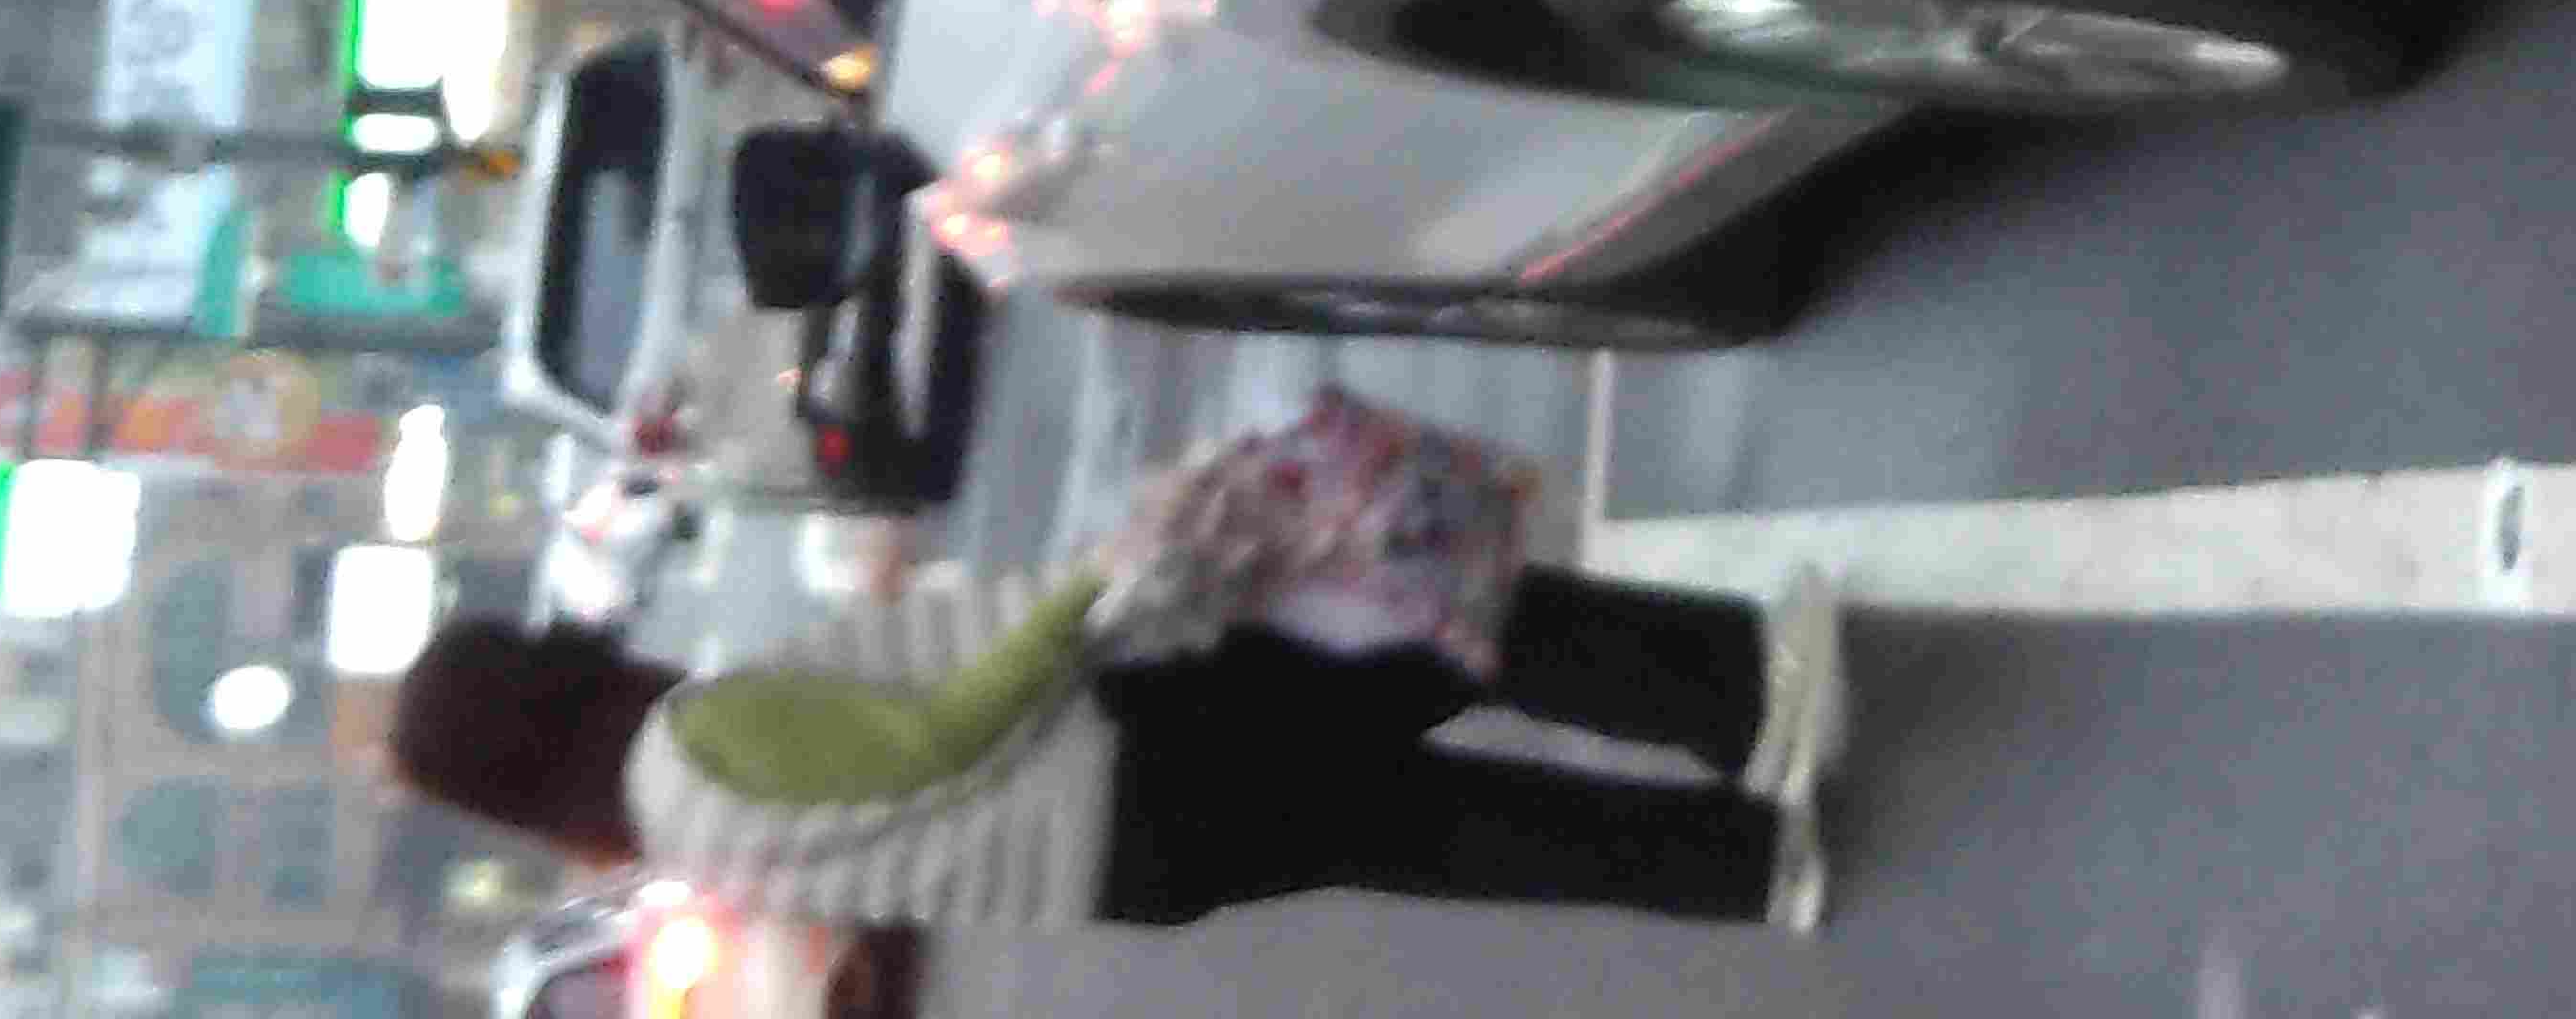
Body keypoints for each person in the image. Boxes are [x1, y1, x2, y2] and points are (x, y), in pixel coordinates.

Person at [385, 558, 1846, 934]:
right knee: (1436, 615)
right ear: (544, 692)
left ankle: (1757, 869)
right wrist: (1083, 595)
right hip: (1135, 753)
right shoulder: (695, 740)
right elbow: (938, 734)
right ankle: (1747, 693)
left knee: (1456, 833)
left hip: (1126, 863)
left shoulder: (673, 839)